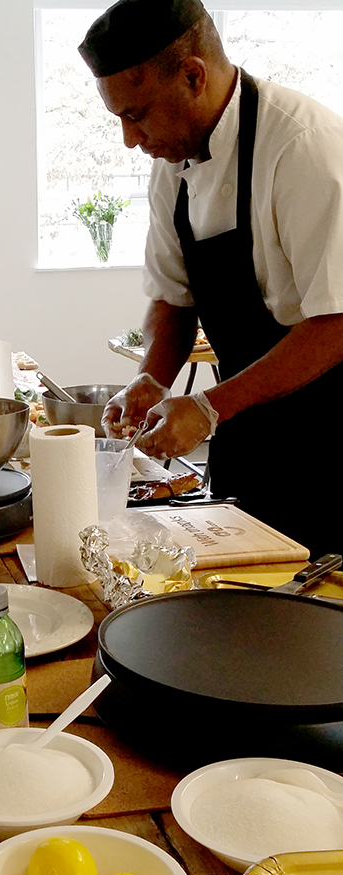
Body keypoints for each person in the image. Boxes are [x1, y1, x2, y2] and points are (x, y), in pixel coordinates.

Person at [78, 0, 343, 559]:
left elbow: (335, 323)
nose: (129, 138)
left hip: (330, 439)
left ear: (193, 77)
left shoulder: (302, 146)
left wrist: (208, 407)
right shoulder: (170, 166)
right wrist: (151, 380)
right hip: (246, 432)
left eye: (137, 114)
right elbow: (173, 299)